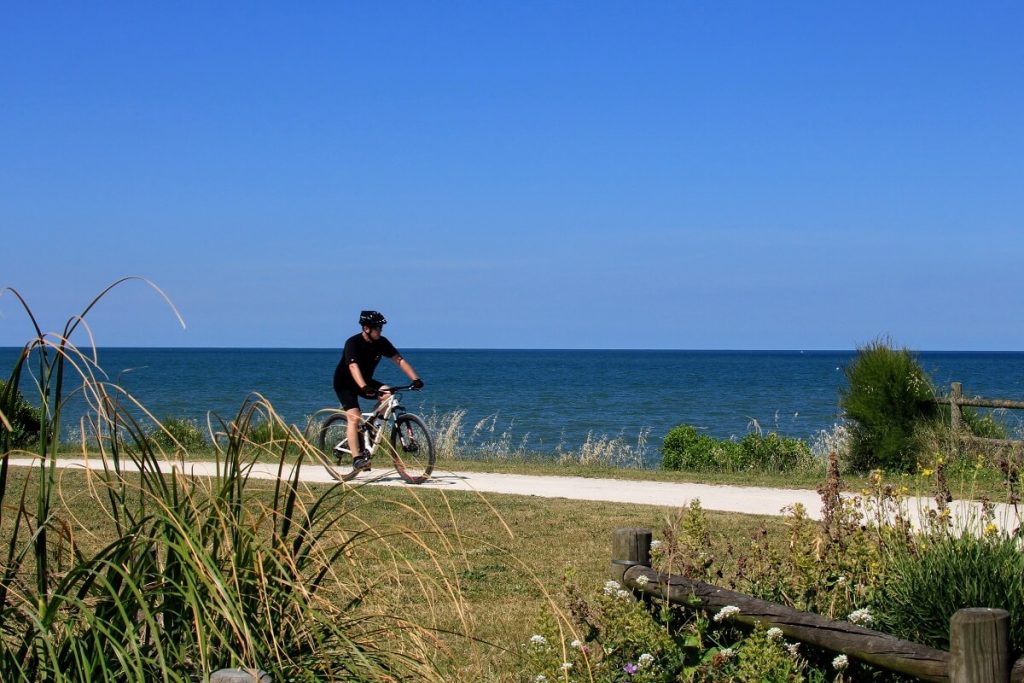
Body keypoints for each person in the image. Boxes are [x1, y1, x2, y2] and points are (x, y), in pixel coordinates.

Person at [332, 310, 423, 469]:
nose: (380, 330)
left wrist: (415, 379)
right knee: (354, 417)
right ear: (367, 328)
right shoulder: (352, 343)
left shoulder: (381, 342)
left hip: (365, 382)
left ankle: (372, 426)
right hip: (345, 383)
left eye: (381, 327)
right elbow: (353, 366)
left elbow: (399, 360)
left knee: (388, 393)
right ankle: (357, 459)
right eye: (378, 328)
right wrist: (364, 387)